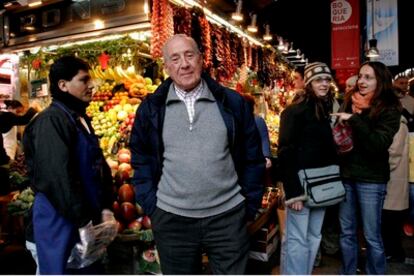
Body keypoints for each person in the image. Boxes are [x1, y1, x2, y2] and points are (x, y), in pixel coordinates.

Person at [129, 34, 265, 274]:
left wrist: (249, 205)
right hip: (172, 220)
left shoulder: (232, 103)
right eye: (175, 58)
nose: (184, 64)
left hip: (227, 218)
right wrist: (152, 206)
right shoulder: (151, 109)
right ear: (167, 67)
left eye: (190, 55)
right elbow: (140, 158)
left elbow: (253, 158)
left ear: (201, 60)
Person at [22, 56, 114, 274]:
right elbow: (58, 178)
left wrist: (106, 207)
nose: (91, 85)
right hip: (58, 225)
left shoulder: (79, 118)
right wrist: (83, 221)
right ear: (63, 85)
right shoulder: (51, 122)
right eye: (83, 80)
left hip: (82, 223)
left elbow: (99, 165)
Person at [332, 61, 401, 274]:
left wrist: (354, 120)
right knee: (347, 232)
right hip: (347, 175)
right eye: (360, 76)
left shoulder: (390, 108)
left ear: (380, 81)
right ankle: (348, 271)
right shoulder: (348, 101)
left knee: (371, 235)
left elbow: (377, 144)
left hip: (371, 179)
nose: (361, 81)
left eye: (368, 77)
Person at [278, 62, 339, 275]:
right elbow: (285, 152)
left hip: (323, 186)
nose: (323, 84)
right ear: (309, 82)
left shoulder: (327, 111)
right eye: (318, 79)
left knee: (314, 237)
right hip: (301, 187)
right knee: (297, 238)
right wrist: (294, 192)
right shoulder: (293, 112)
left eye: (327, 79)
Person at [381, 114, 409, 263]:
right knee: (389, 223)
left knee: (390, 222)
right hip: (393, 181)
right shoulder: (398, 123)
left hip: (393, 181)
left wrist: (375, 167)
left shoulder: (398, 124)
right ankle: (393, 252)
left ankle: (393, 253)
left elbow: (394, 154)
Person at [0, 100, 39, 195]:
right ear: (10, 108)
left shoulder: (5, 117)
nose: (18, 115)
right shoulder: (6, 116)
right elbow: (24, 120)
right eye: (17, 112)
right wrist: (33, 108)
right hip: (5, 153)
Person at [243, 94, 272, 169]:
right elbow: (264, 138)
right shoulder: (258, 120)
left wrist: (266, 156)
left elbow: (264, 139)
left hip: (254, 160)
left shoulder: (257, 120)